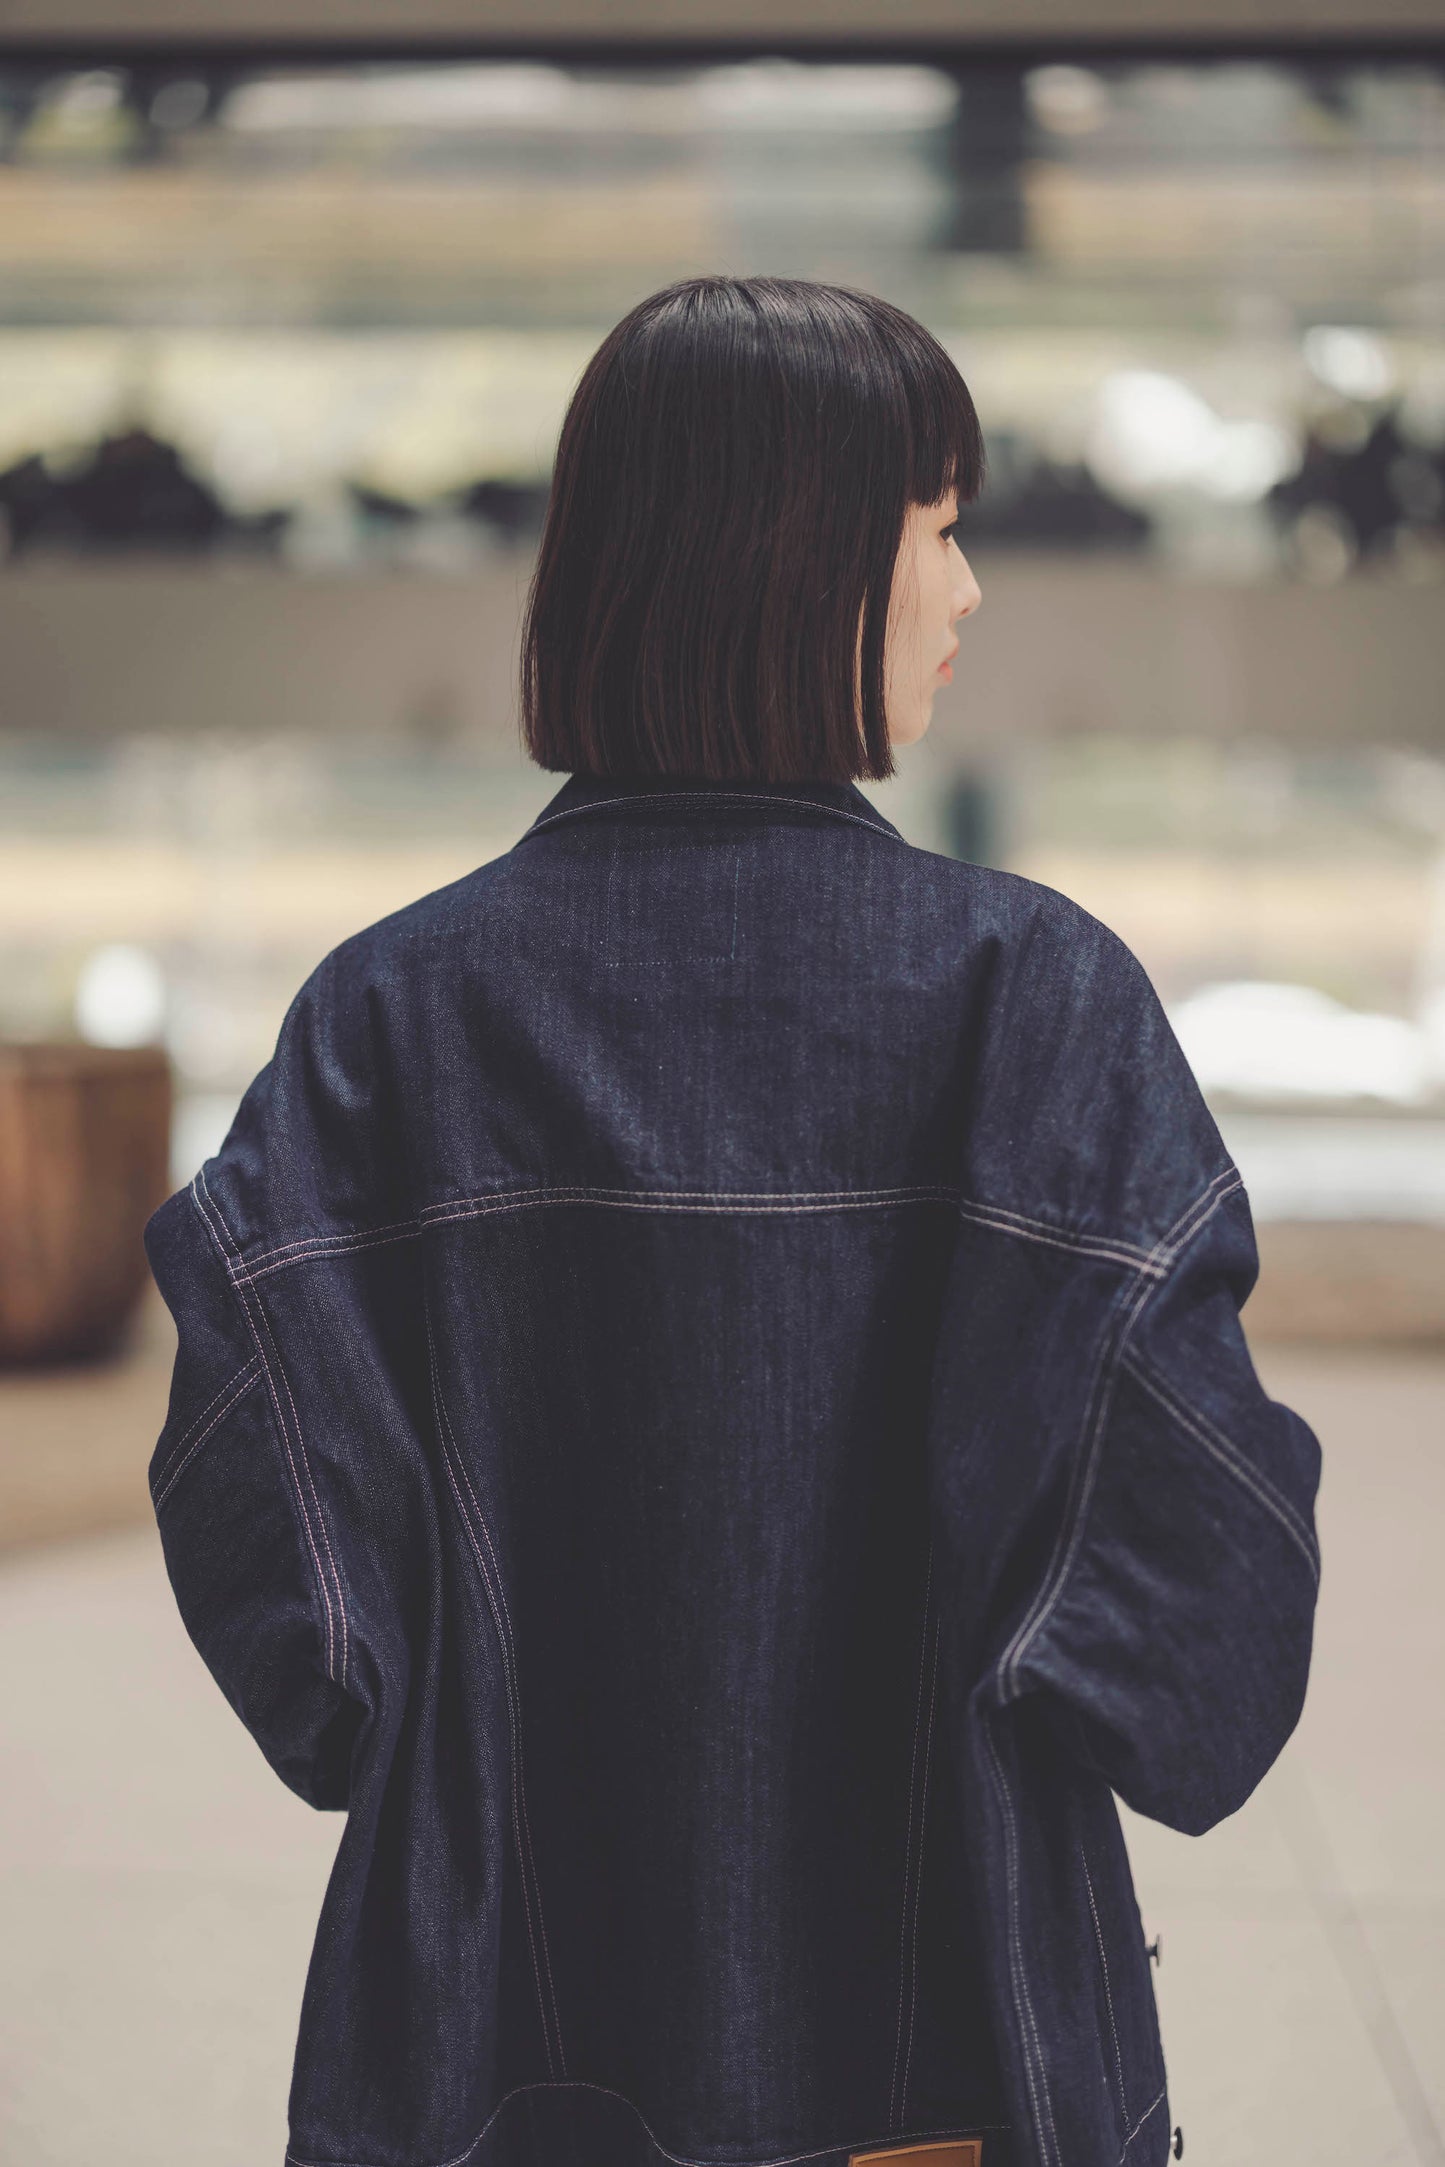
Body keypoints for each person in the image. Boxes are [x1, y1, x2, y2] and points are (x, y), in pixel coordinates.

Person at [144, 276, 1322, 2167]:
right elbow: (1212, 1617)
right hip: (957, 2051)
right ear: (792, 563)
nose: (966, 594)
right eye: (932, 530)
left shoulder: (387, 1021)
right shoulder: (1036, 1004)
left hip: (488, 2059)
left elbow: (299, 1620)